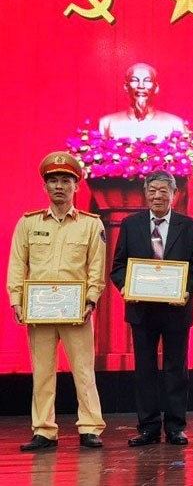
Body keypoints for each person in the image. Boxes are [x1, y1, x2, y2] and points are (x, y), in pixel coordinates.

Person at [7, 152, 107, 451]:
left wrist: (91, 300)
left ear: (76, 186)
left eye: (66, 180)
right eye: (53, 181)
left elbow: (96, 267)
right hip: (39, 310)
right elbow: (17, 264)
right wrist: (16, 300)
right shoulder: (28, 223)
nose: (59, 186)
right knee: (42, 371)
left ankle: (90, 427)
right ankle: (44, 429)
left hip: (76, 310)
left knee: (84, 370)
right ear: (45, 186)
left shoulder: (91, 224)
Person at [110, 170, 193, 446]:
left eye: (163, 190)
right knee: (145, 370)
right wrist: (125, 287)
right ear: (145, 194)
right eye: (152, 191)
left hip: (177, 308)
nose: (157, 196)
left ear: (174, 194)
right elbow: (118, 266)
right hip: (142, 309)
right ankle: (148, 427)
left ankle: (175, 426)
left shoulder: (190, 227)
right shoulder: (131, 224)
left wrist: (188, 291)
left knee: (176, 369)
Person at [99, 63, 188, 139]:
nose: (141, 86)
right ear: (126, 87)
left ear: (156, 88)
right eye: (134, 80)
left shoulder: (175, 124)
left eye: (147, 81)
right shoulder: (107, 123)